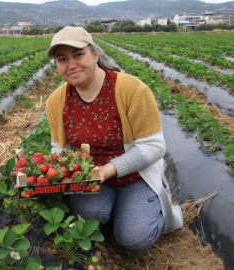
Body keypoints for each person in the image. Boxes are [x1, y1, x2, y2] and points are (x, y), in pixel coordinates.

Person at [46, 26, 183, 252]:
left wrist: (109, 169)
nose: (71, 65)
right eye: (62, 59)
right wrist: (52, 170)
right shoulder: (57, 101)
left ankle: (154, 208)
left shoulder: (132, 90)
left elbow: (154, 146)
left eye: (78, 55)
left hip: (136, 176)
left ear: (95, 54)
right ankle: (119, 209)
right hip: (92, 178)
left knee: (134, 238)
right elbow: (58, 148)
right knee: (89, 217)